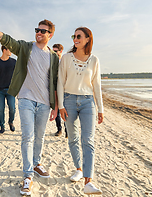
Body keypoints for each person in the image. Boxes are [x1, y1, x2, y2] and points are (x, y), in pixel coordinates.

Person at [0, 17, 59, 196]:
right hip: (26, 98)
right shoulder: (26, 48)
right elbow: (6, 39)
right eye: (37, 29)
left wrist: (56, 106)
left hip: (44, 103)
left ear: (50, 35)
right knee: (27, 136)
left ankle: (36, 164)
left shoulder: (53, 57)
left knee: (39, 137)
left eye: (43, 31)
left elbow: (56, 82)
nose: (39, 33)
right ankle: (28, 175)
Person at [57, 27, 104, 195]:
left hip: (88, 102)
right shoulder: (67, 58)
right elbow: (60, 82)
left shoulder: (94, 60)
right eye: (74, 36)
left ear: (87, 39)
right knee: (73, 138)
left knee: (88, 141)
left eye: (79, 36)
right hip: (68, 101)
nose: (75, 39)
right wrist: (61, 105)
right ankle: (78, 168)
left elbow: (97, 85)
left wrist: (100, 108)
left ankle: (88, 182)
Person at [51, 44, 67, 138]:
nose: (54, 53)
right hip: (55, 89)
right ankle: (59, 129)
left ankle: (67, 130)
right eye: (53, 51)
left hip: (65, 90)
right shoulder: (52, 63)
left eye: (56, 51)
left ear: (61, 51)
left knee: (65, 110)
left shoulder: (65, 62)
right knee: (56, 110)